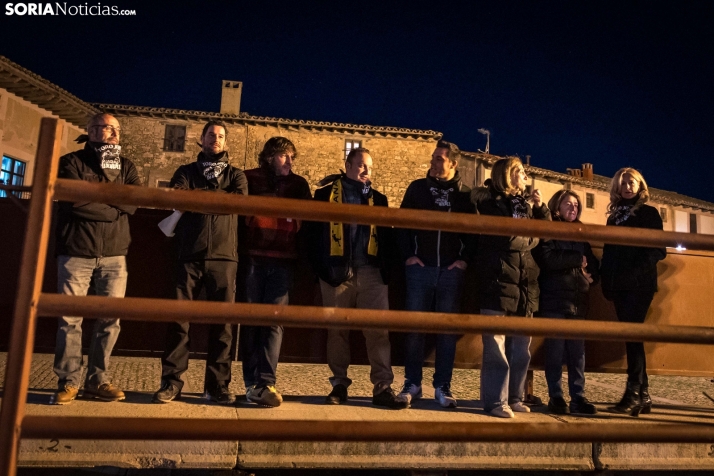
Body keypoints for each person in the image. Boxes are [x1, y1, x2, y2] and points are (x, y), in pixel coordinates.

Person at [152, 120, 248, 404]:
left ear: (225, 142)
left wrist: (199, 197)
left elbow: (239, 203)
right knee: (178, 322)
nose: (215, 139)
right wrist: (218, 197)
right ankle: (171, 383)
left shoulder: (237, 175)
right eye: (211, 135)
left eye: (220, 136)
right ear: (202, 140)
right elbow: (178, 197)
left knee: (223, 326)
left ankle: (217, 386)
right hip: (187, 256)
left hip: (224, 257)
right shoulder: (185, 171)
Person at [51, 113, 140, 405]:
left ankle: (97, 380)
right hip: (76, 252)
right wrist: (115, 207)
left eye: (116, 128)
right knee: (69, 320)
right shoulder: (72, 162)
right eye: (106, 128)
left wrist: (104, 200)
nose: (113, 133)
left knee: (109, 321)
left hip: (115, 255)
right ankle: (68, 381)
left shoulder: (126, 166)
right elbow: (75, 202)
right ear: (91, 131)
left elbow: (135, 203)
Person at [309, 147, 407, 409]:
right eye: (362, 165)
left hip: (372, 273)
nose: (366, 171)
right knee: (337, 332)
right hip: (336, 274)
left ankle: (383, 387)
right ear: (348, 165)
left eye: (369, 167)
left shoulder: (378, 199)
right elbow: (312, 235)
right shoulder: (325, 196)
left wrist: (387, 271)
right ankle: (339, 384)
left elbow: (388, 239)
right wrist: (322, 268)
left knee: (378, 332)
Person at [397, 140, 475, 408]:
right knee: (415, 329)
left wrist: (463, 260)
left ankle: (443, 386)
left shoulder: (465, 195)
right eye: (433, 157)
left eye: (439, 159)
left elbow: (474, 232)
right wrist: (409, 255)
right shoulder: (417, 189)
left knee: (447, 333)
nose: (433, 162)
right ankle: (412, 383)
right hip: (420, 269)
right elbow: (402, 223)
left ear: (453, 163)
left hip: (451, 272)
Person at [471, 157, 550, 418]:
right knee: (496, 347)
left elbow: (546, 233)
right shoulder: (490, 202)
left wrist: (539, 210)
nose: (525, 176)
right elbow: (508, 238)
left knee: (521, 348)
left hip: (524, 283)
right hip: (497, 280)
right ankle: (495, 402)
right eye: (521, 172)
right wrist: (534, 236)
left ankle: (515, 397)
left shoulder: (523, 205)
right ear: (507, 175)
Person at [239, 137, 312, 407]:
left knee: (274, 322)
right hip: (253, 258)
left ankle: (266, 381)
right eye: (284, 156)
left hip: (284, 259)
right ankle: (251, 383)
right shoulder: (249, 178)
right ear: (270, 156)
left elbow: (309, 217)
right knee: (250, 321)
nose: (290, 161)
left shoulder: (298, 184)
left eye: (292, 156)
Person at [600, 167, 666, 416]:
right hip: (618, 287)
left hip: (639, 286)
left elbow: (658, 250)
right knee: (631, 339)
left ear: (640, 187)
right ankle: (643, 395)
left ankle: (633, 393)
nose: (627, 187)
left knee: (633, 337)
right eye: (623, 183)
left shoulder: (649, 214)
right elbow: (608, 252)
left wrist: (633, 275)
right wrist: (607, 281)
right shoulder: (613, 217)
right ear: (616, 187)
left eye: (632, 183)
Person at [533, 190, 599, 415]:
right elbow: (547, 259)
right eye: (568, 204)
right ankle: (556, 397)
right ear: (556, 207)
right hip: (555, 299)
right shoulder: (550, 228)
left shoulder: (581, 233)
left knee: (577, 354)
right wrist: (576, 259)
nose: (574, 208)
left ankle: (578, 397)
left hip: (578, 301)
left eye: (576, 205)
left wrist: (592, 275)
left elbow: (592, 263)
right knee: (554, 352)